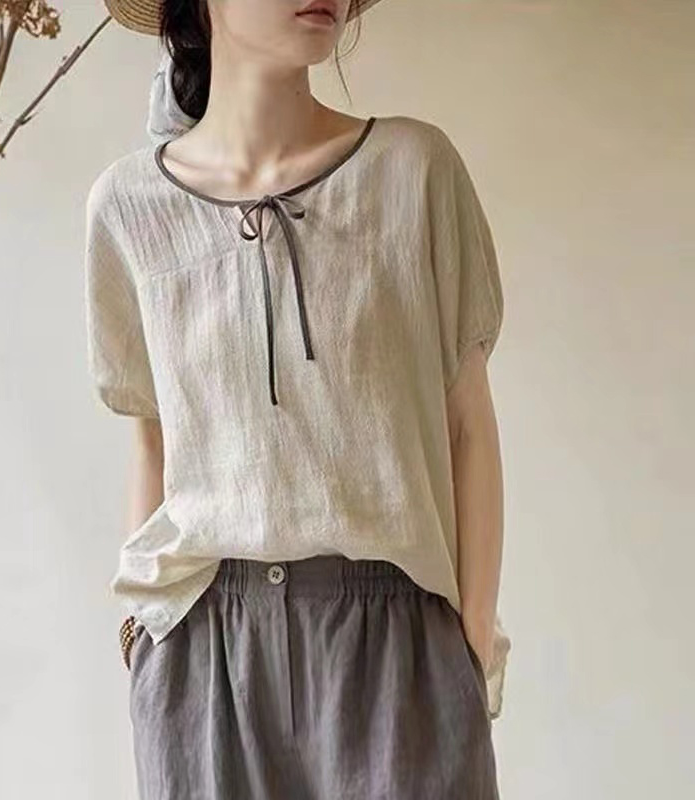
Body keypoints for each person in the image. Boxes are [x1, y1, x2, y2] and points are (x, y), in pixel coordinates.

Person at [85, 1, 512, 797]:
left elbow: (468, 423)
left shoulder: (413, 171)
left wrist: (471, 639)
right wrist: (142, 637)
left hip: (395, 642)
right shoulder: (128, 208)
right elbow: (151, 436)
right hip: (207, 654)